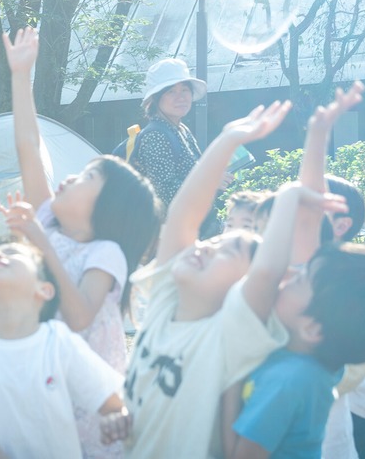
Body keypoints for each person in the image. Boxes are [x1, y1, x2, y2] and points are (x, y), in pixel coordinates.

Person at [123, 97, 351, 458]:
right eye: (214, 240)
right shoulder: (164, 302)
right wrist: (226, 141)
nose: (205, 247)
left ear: (242, 288)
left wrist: (292, 194)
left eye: (227, 251)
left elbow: (274, 267)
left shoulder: (228, 336)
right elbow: (183, 214)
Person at [222, 84, 365, 459]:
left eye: (303, 277)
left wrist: (228, 384)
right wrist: (317, 134)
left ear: (312, 326)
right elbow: (309, 219)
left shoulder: (291, 377)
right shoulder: (314, 347)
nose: (291, 273)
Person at [2, 27, 160, 457]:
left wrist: (40, 242)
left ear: (106, 211)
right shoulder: (51, 219)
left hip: (91, 398)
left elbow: (78, 318)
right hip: (48, 379)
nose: (72, 175)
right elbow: (29, 148)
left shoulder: (103, 253)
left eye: (89, 176)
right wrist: (21, 75)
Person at [0, 238, 129, 459]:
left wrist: (116, 417)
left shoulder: (59, 341)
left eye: (11, 253)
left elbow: (110, 403)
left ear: (44, 290)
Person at [127, 57, 225, 238]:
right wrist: (208, 184)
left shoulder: (180, 129)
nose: (181, 97)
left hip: (193, 229)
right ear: (156, 99)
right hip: (173, 238)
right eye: (171, 91)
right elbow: (167, 192)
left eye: (185, 90)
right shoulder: (155, 135)